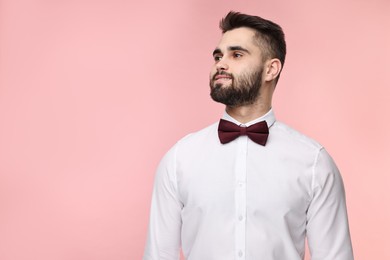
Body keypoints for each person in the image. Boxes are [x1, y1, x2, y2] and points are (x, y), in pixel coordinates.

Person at [143, 11, 354, 260]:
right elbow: (159, 255)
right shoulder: (179, 159)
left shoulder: (314, 162)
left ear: (271, 69)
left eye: (237, 54)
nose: (221, 63)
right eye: (218, 56)